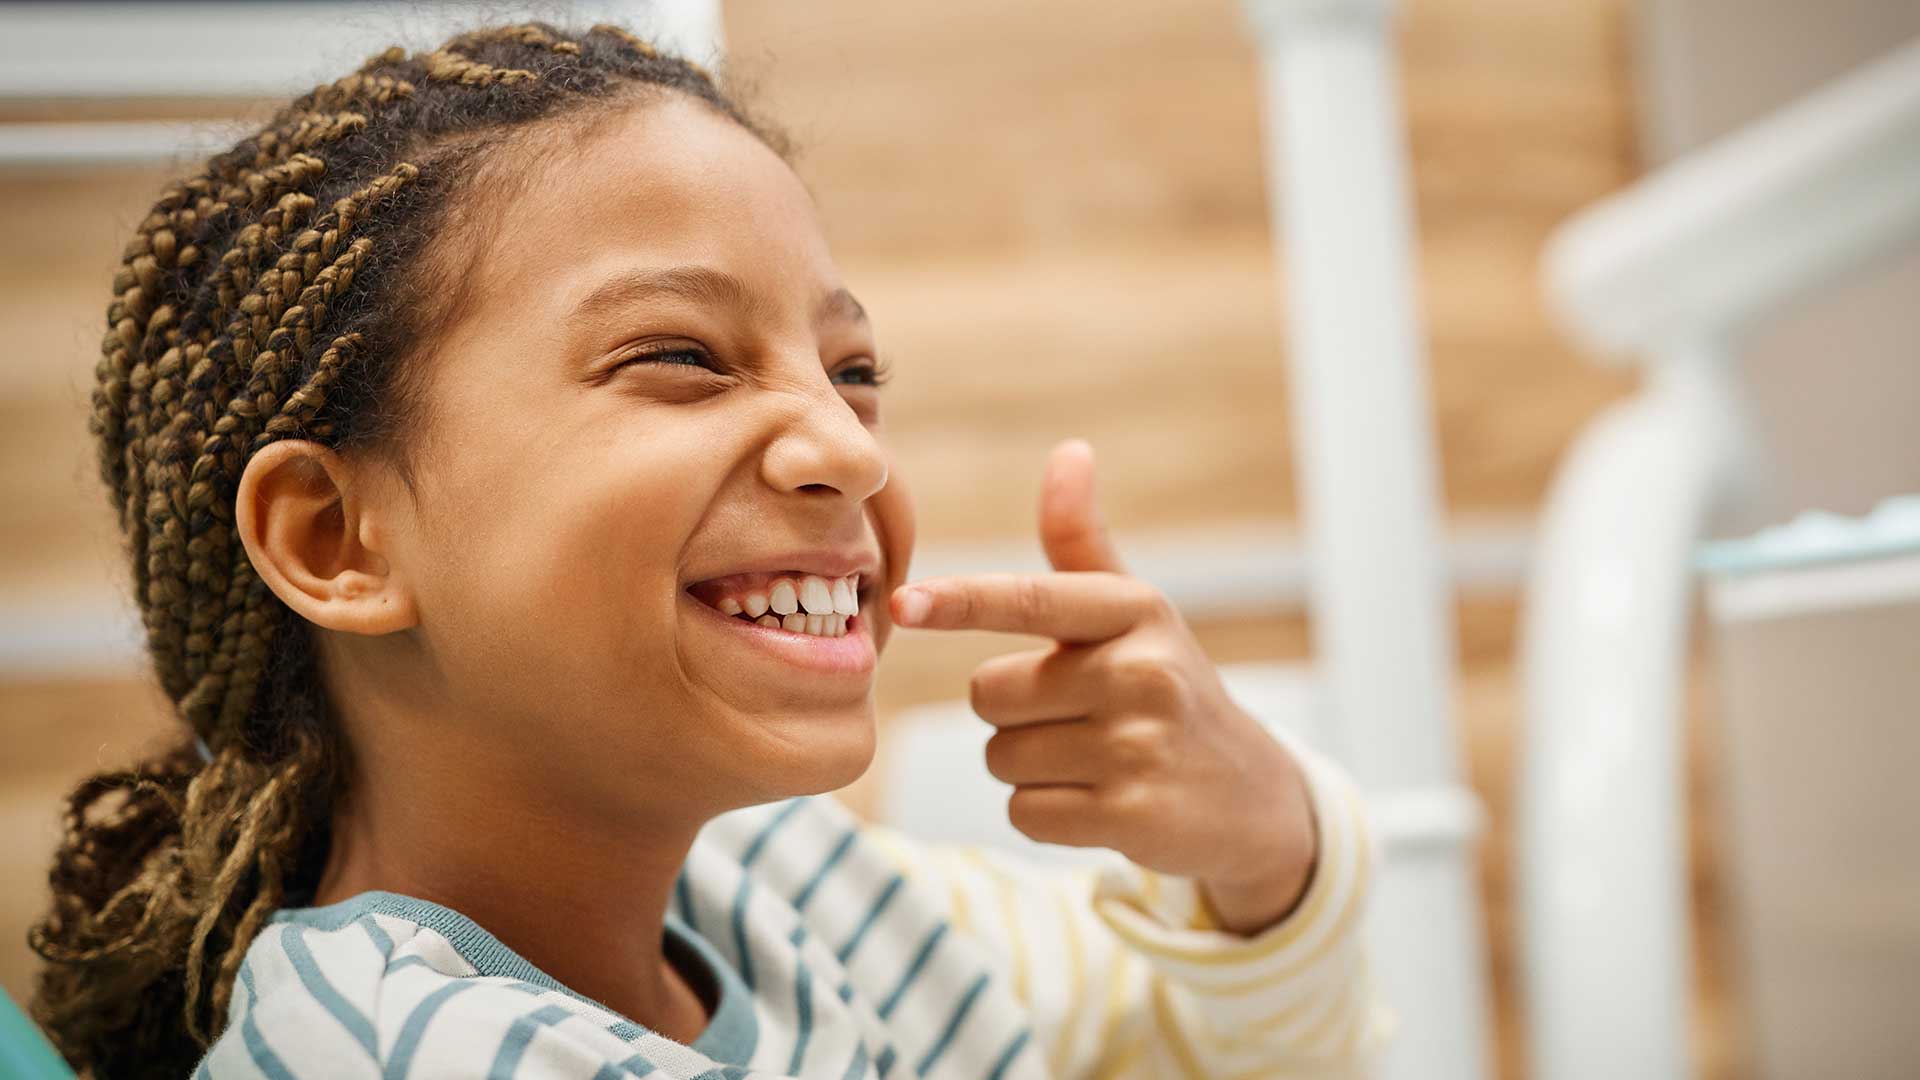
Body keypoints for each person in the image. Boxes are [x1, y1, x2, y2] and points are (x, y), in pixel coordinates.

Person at [30, 22, 1387, 1078]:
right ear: (338, 540)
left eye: (855, 370)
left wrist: (1261, 842)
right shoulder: (389, 1054)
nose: (850, 448)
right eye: (680, 355)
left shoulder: (781, 887)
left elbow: (1192, 1044)